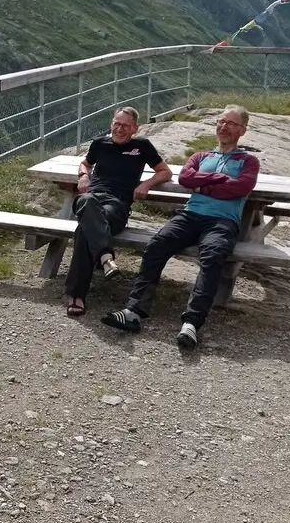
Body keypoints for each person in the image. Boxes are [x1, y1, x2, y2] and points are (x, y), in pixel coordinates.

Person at [101, 105, 258, 350]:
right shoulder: (201, 156)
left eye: (231, 123)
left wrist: (203, 184)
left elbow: (240, 188)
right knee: (156, 245)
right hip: (189, 215)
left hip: (222, 222)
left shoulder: (248, 162)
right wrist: (219, 180)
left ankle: (192, 323)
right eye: (221, 121)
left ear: (243, 131)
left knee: (212, 257)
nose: (224, 127)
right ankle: (133, 310)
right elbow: (185, 178)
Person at [64, 106, 171, 315]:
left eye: (125, 126)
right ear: (111, 124)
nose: (119, 129)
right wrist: (83, 176)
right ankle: (105, 257)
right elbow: (85, 164)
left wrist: (146, 184)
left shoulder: (142, 146)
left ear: (135, 128)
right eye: (116, 124)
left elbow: (165, 172)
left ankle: (76, 295)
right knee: (86, 201)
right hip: (91, 199)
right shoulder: (99, 144)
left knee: (84, 230)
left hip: (117, 206)